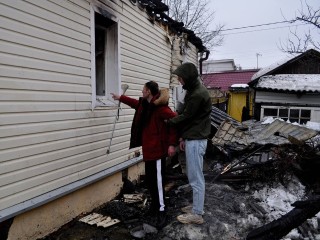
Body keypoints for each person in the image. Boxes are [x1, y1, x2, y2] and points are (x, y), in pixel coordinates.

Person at [111, 81, 177, 229]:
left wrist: (172, 144)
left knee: (159, 184)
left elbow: (175, 121)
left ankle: (162, 211)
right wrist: (120, 97)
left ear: (148, 91)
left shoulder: (161, 109)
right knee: (150, 182)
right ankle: (154, 207)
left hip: (158, 152)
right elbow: (135, 103)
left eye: (143, 89)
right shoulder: (145, 105)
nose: (142, 91)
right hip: (148, 152)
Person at [168, 62, 212, 224]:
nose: (179, 81)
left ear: (188, 78)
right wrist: (182, 138)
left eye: (180, 78)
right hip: (193, 137)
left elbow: (186, 116)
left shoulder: (197, 94)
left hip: (196, 139)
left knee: (196, 177)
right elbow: (191, 119)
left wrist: (169, 121)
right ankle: (196, 206)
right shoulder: (194, 91)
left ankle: (197, 214)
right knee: (194, 175)